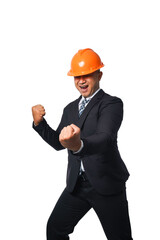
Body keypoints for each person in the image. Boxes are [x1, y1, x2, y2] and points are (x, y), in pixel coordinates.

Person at [32, 48, 133, 240]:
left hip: (106, 185)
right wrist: (40, 124)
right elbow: (59, 143)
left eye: (87, 75)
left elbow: (105, 137)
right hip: (77, 186)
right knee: (54, 229)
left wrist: (78, 145)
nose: (81, 81)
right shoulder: (70, 109)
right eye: (77, 76)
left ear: (99, 74)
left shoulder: (111, 104)